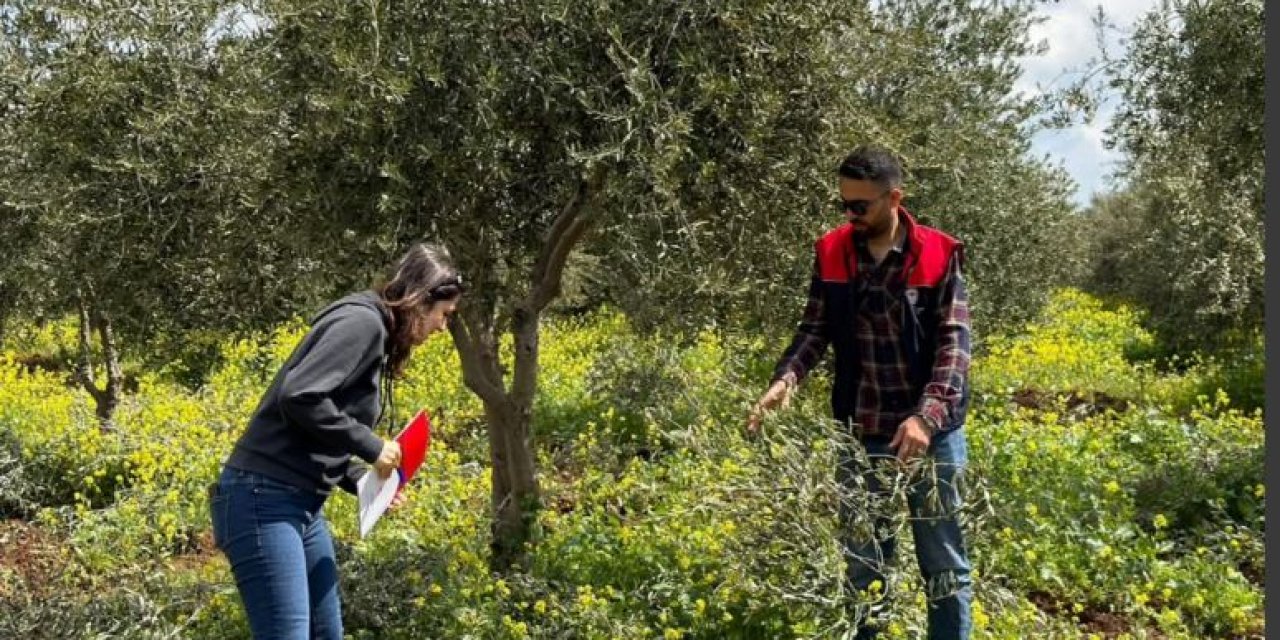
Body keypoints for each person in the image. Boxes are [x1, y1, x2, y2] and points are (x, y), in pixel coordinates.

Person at [747, 146, 972, 639]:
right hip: (861, 430)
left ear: (895, 198)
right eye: (844, 204)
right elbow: (814, 329)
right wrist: (785, 379)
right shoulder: (832, 250)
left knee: (944, 567)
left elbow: (953, 348)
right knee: (864, 565)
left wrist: (926, 418)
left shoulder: (938, 253)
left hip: (929, 437)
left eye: (860, 206)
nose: (850, 215)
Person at [208, 242, 464, 639]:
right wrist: (372, 445)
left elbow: (314, 427)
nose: (443, 327)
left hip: (302, 504)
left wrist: (363, 480)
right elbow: (300, 396)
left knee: (327, 633)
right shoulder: (362, 323)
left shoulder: (376, 332)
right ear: (421, 299)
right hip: (263, 500)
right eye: (444, 315)